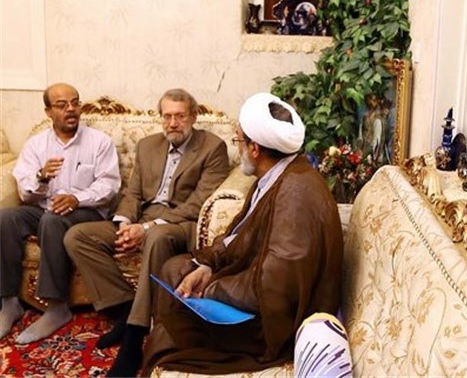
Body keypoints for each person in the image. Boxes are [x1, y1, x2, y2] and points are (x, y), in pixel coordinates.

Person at [141, 92, 343, 375]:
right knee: (174, 269)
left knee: (168, 339)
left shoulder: (296, 192)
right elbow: (241, 236)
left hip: (274, 326)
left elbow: (276, 286)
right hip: (261, 289)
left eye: (238, 142)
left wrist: (212, 289)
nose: (238, 151)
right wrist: (207, 265)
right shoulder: (276, 176)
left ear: (255, 149)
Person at [65, 88, 229, 377]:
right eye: (167, 116)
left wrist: (146, 228)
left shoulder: (213, 147)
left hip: (180, 224)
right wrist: (124, 224)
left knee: (156, 237)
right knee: (77, 236)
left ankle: (134, 334)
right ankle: (124, 306)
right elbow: (133, 193)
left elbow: (197, 203)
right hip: (142, 219)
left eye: (180, 116)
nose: (172, 123)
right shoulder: (147, 145)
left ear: (193, 117)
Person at [0, 83, 121, 344]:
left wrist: (77, 199)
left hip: (87, 213)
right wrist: (41, 178)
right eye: (62, 105)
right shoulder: (36, 145)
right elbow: (25, 194)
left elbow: (109, 187)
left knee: (51, 220)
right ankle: (9, 303)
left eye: (75, 103)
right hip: (45, 208)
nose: (71, 109)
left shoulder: (99, 142)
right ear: (48, 112)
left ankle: (56, 307)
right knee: (6, 218)